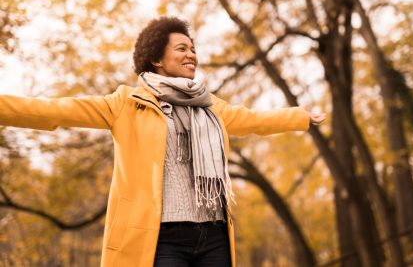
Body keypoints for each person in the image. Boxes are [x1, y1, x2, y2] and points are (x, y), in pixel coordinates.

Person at [0, 16, 326, 267]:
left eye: (193, 49)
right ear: (156, 59)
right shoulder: (127, 104)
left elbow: (254, 120)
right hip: (161, 238)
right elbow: (55, 111)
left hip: (214, 235)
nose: (192, 56)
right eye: (182, 49)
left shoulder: (210, 106)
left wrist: (300, 117)